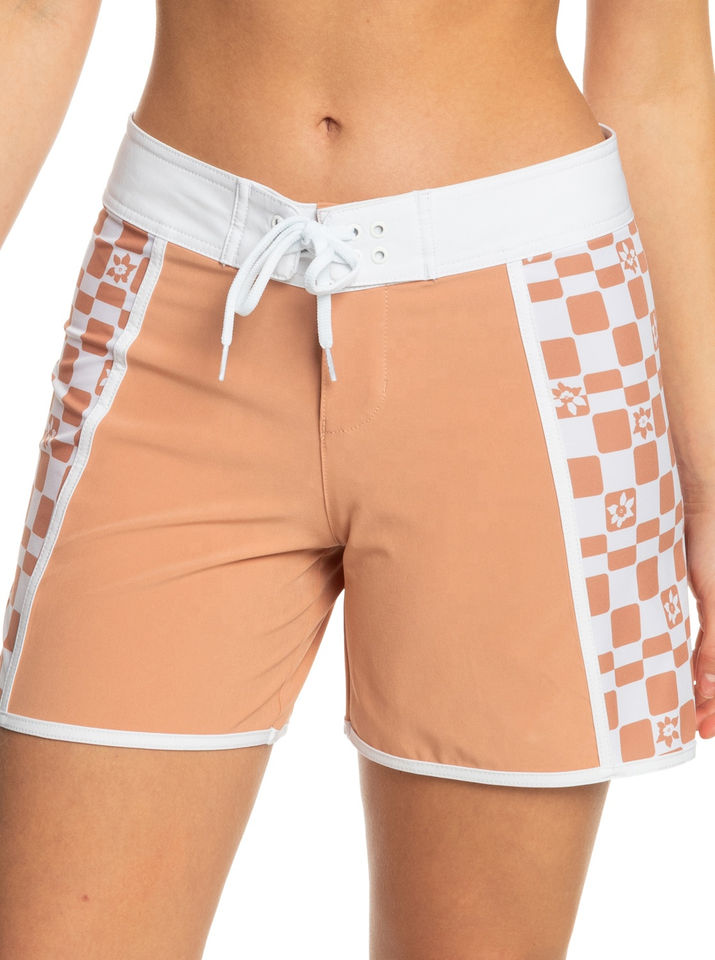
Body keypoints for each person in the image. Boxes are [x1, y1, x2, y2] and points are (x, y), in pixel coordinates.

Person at [0, 1, 713, 957]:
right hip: (177, 299)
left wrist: (710, 486)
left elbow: (655, 74)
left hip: (535, 331)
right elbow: (35, 12)